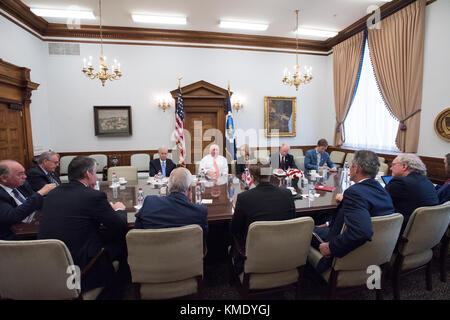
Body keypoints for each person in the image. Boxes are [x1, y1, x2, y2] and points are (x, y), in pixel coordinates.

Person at [38, 156, 128, 297]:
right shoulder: (93, 196)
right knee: (122, 242)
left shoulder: (53, 194)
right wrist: (119, 210)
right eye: (95, 172)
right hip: (82, 268)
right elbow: (119, 225)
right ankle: (115, 291)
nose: (96, 176)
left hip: (49, 264)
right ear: (87, 174)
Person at [312, 150, 394, 274]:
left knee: (305, 229)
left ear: (356, 168)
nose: (349, 168)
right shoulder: (382, 191)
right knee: (324, 218)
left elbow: (362, 232)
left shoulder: (354, 192)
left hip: (345, 251)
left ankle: (309, 276)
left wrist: (331, 247)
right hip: (376, 253)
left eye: (351, 165)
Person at [230, 161, 296, 273]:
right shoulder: (287, 194)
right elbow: (292, 221)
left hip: (255, 255)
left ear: (251, 177)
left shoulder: (244, 198)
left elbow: (234, 229)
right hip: (284, 252)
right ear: (270, 174)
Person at [135, 167, 208, 234]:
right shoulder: (199, 212)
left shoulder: (149, 203)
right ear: (190, 188)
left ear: (168, 187)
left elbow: (137, 231)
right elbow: (202, 238)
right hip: (186, 248)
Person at [0, 160, 55, 240]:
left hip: (33, 221)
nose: (25, 177)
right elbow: (12, 216)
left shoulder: (20, 185)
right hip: (15, 236)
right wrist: (40, 193)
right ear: (4, 178)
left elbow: (36, 202)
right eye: (20, 174)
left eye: (24, 173)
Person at [385, 153, 439, 230]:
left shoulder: (399, 183)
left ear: (404, 166)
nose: (390, 168)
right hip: (427, 228)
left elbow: (380, 201)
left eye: (393, 165)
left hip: (404, 228)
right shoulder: (426, 181)